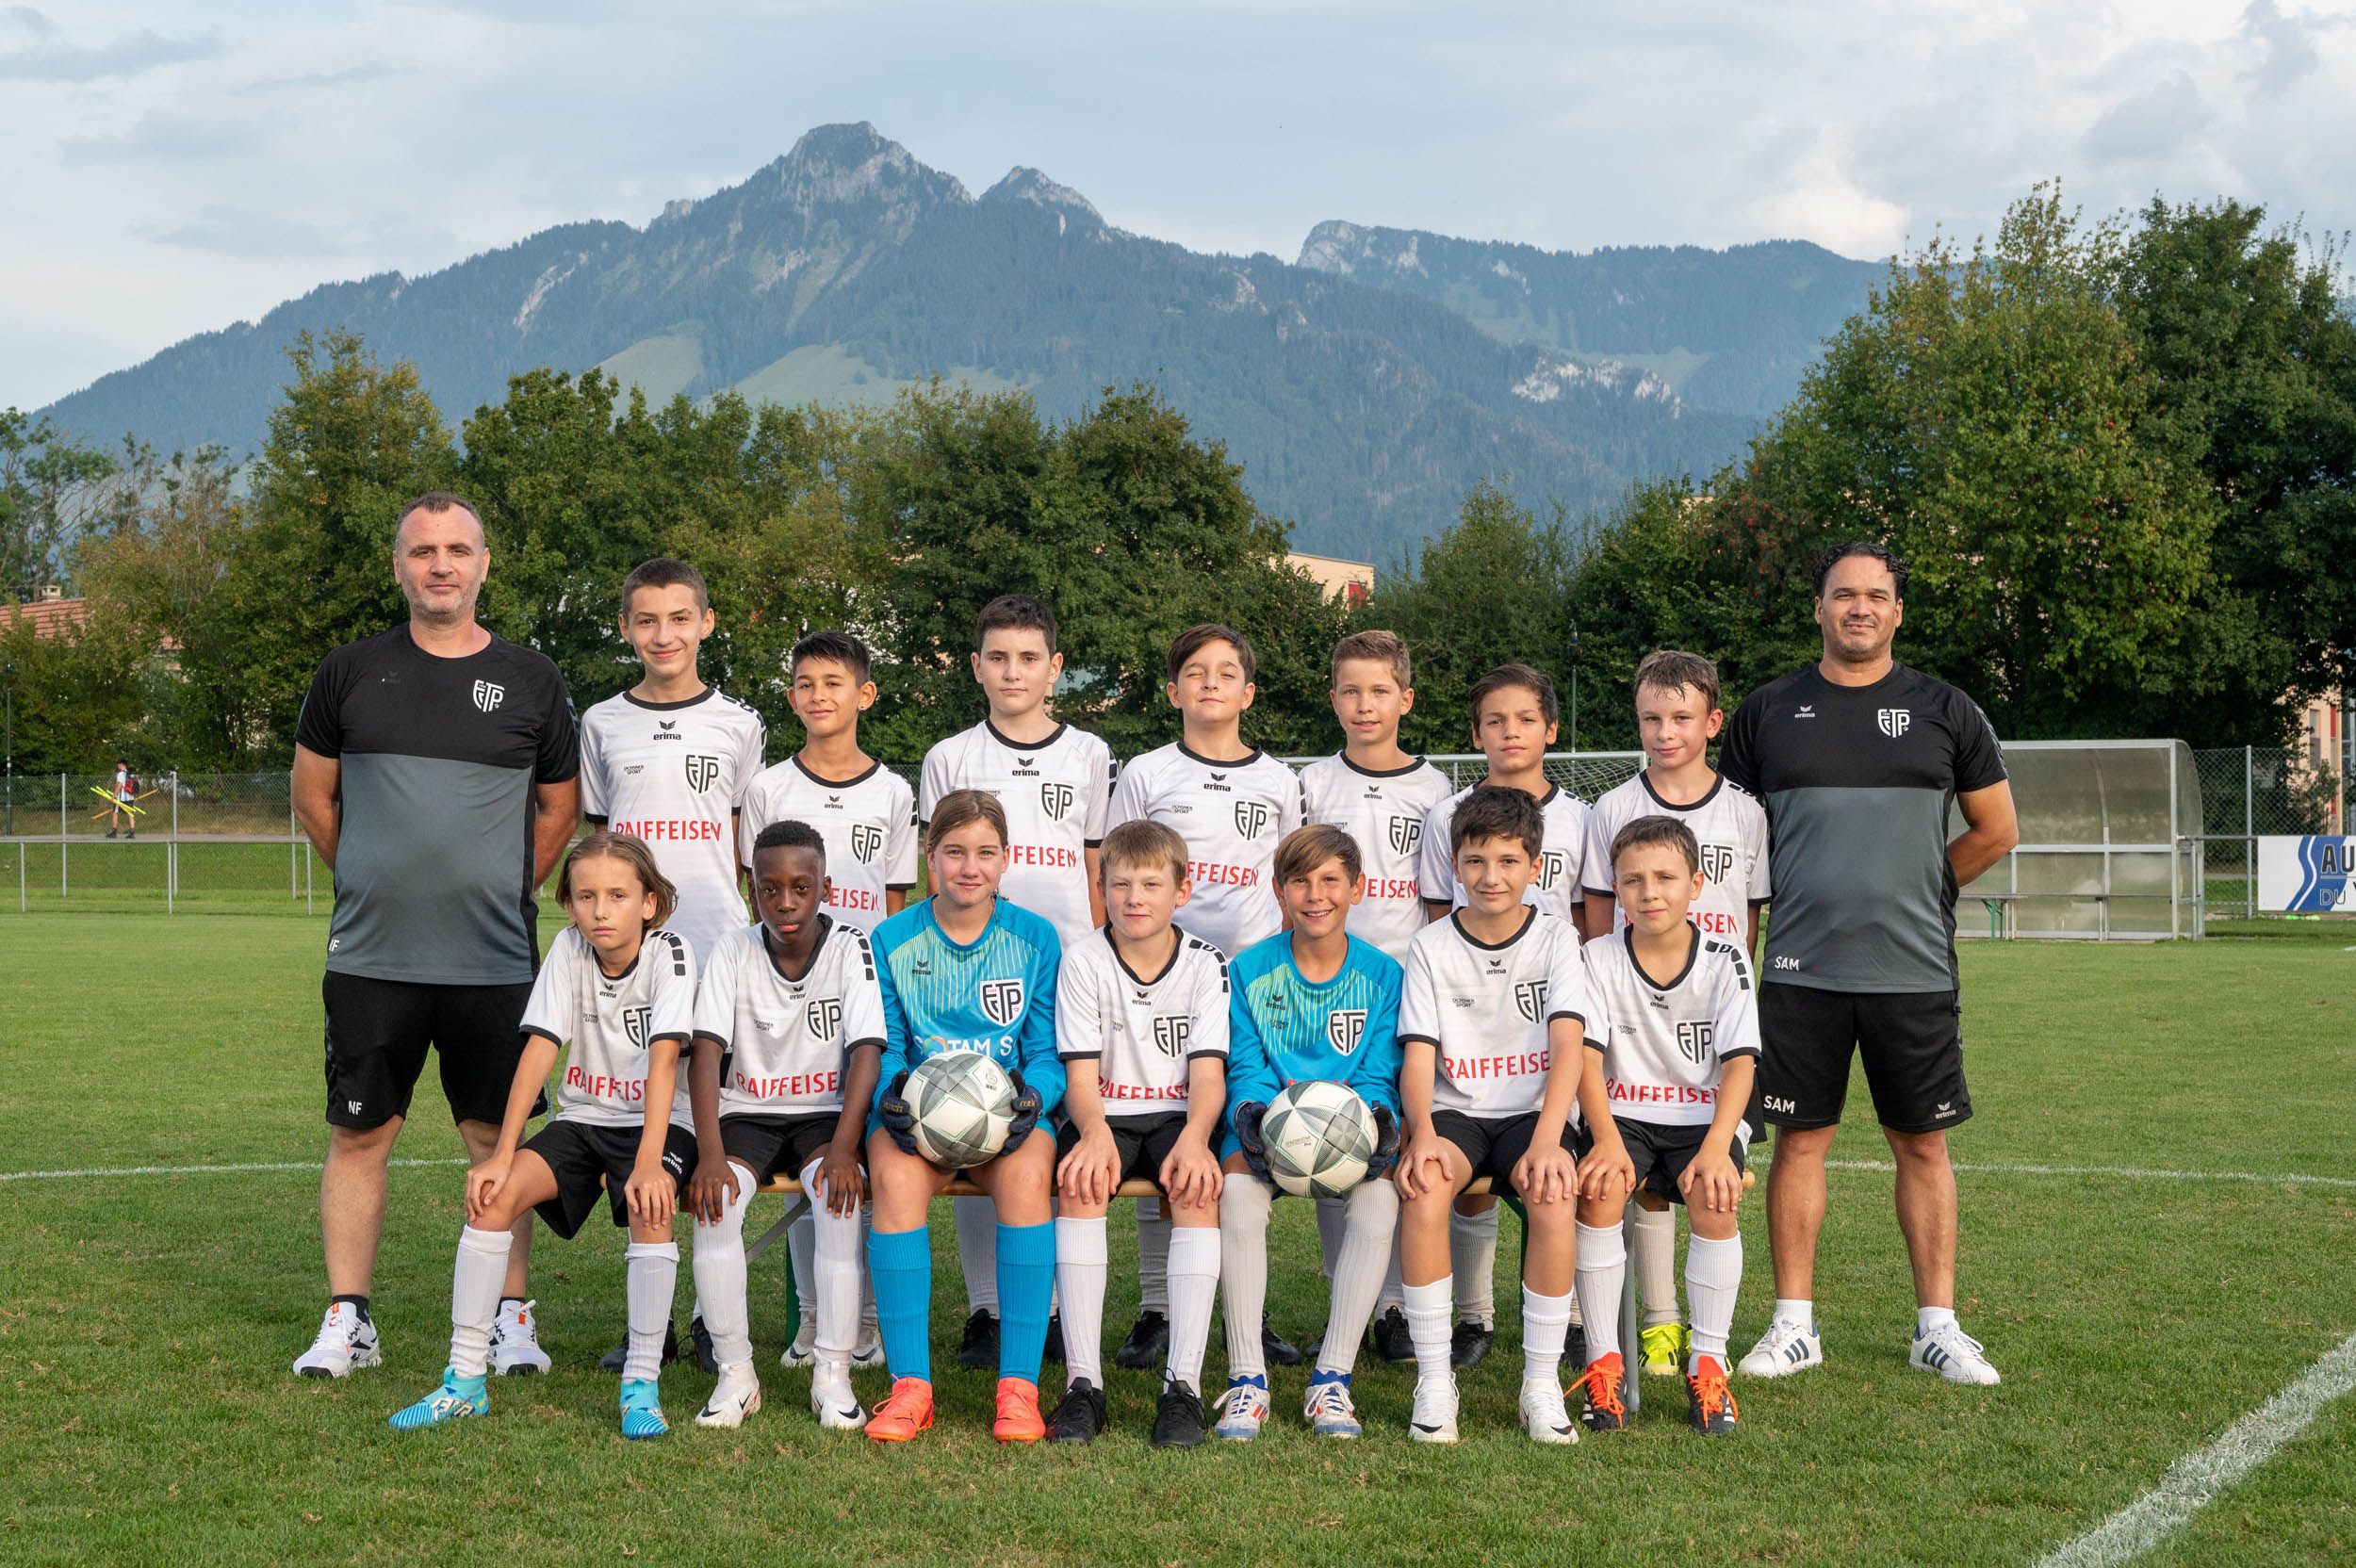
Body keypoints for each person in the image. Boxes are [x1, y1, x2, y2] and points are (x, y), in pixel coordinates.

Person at [290, 491, 580, 1380]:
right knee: (359, 1136)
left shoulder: (533, 679)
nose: (441, 565)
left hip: (493, 959)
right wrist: (371, 878)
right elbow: (313, 799)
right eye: (423, 551)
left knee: (499, 1141)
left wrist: (498, 888)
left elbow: (559, 812)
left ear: (484, 564)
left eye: (458, 550)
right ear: (399, 566)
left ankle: (509, 1319)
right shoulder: (348, 672)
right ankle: (349, 1320)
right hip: (372, 954)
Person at [1718, 542, 2019, 1387]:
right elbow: (1732, 840)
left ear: (1897, 612)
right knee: (1799, 1143)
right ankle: (1794, 1326)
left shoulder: (1946, 709)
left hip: (1913, 969)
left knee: (1922, 1145)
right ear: (1819, 608)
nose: (1859, 607)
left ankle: (1937, 1329)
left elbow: (1997, 830)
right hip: (1799, 970)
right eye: (1843, 594)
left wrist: (1926, 886)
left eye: (1876, 596)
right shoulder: (1767, 712)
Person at [387, 833, 695, 1438]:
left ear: (649, 903)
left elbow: (665, 1061)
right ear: (569, 904)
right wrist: (502, 1155)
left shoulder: (671, 954)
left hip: (658, 1124)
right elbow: (539, 1049)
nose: (600, 910)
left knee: (650, 1205)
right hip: (582, 1119)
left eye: (617, 895)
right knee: (491, 1198)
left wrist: (650, 1163)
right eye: (586, 896)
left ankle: (641, 1387)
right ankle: (464, 1382)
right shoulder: (568, 948)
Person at [578, 557, 765, 1373]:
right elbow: (598, 847)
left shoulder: (741, 724)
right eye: (647, 620)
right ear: (625, 628)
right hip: (636, 956)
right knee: (642, 1132)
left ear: (706, 624)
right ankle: (647, 1320)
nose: (664, 635)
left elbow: (748, 847)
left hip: (719, 946)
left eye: (680, 618)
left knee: (707, 1129)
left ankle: (704, 1317)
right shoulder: (600, 723)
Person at [919, 596, 1113, 1372]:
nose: (1013, 672)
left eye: (1029, 658)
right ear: (976, 667)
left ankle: (1052, 1308)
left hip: (1064, 967)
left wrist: (1099, 954)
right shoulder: (949, 756)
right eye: (997, 658)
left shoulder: (1090, 753)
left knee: (1048, 1131)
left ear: (1054, 668)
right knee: (968, 1120)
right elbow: (934, 870)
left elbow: (1095, 864)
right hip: (973, 967)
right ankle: (987, 1310)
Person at [1105, 621, 1307, 1371]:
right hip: (1165, 979)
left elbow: (1289, 884)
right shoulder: (1148, 773)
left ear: (1248, 692)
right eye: (1196, 672)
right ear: (1173, 691)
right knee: (1165, 1130)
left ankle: (1245, 1313)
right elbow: (1122, 872)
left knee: (1234, 1147)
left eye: (1226, 673)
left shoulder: (1279, 781)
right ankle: (1158, 1308)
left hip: (1248, 985)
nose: (1211, 683)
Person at [1576, 648, 1769, 1380]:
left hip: (1706, 1020)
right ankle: (1656, 1326)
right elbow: (1600, 925)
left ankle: (1704, 1354)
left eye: (1681, 717)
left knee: (1703, 1182)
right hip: (1630, 1030)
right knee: (1638, 1185)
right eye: (1651, 719)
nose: (1664, 732)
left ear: (1712, 722)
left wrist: (1717, 991)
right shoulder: (1612, 809)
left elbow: (1747, 925)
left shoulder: (1744, 811)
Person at [861, 789, 1065, 1445]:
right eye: (954, 852)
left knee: (1030, 1177)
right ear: (930, 857)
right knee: (892, 1179)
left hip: (1005, 1120)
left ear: (1005, 859)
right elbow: (888, 1044)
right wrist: (892, 1096)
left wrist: (1034, 1097)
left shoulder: (1035, 937)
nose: (969, 867)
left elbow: (1046, 1052)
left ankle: (1019, 1390)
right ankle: (910, 1389)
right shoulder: (892, 938)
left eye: (984, 853)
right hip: (919, 1123)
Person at [1392, 786, 1593, 1446]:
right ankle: (1434, 1380)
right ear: (1455, 865)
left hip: (1533, 1114)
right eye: (1475, 861)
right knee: (1424, 1187)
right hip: (1456, 1112)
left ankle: (1540, 1384)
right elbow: (1418, 1057)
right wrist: (1422, 1134)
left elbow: (1569, 1047)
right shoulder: (1430, 944)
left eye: (1508, 861)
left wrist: (1550, 1140)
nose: (1491, 876)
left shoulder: (1559, 939)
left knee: (1553, 1192)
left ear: (1534, 866)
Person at [737, 629, 912, 1371]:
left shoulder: (893, 791)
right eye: (805, 684)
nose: (819, 696)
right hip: (791, 990)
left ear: (864, 694)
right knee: (801, 1135)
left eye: (834, 683)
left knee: (859, 1147)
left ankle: (864, 1318)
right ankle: (813, 1317)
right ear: (791, 697)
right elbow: (755, 896)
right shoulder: (768, 789)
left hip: (865, 988)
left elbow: (897, 903)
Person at [1414, 662, 1595, 1366]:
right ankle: (1473, 1318)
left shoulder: (1579, 819)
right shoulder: (1447, 819)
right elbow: (1443, 920)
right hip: (1470, 1042)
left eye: (1525, 719)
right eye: (1495, 721)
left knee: (1554, 1183)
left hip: (1543, 1038)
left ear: (1551, 728)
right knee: (1461, 1193)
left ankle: (1567, 1328)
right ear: (1475, 733)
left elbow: (1591, 922)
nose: (1510, 732)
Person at [685, 820, 886, 1431]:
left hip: (825, 1116)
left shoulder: (850, 946)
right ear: (753, 892)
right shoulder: (733, 949)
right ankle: (736, 1376)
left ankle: (833, 1373)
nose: (786, 901)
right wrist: (709, 1155)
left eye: (801, 887)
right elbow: (704, 1054)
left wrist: (846, 1148)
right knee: (715, 1206)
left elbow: (867, 1052)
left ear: (826, 888)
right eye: (770, 889)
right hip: (748, 1112)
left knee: (838, 1201)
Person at [1213, 825, 1403, 1442]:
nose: (1315, 895)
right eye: (1300, 881)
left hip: (1349, 1130)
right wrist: (1257, 1118)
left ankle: (1333, 1378)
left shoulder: (1383, 975)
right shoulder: (1248, 970)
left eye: (1330, 881)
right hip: (1266, 1128)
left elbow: (1378, 1073)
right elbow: (1245, 1067)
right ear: (1279, 891)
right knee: (1236, 1195)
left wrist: (1369, 1120)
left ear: (1357, 888)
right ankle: (1247, 1378)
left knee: (1378, 1201)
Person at [1572, 816, 1759, 1436]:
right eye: (1633, 880)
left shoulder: (1725, 958)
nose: (1649, 892)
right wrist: (1603, 1140)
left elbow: (1739, 1066)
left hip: (1703, 1117)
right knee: (1599, 1189)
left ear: (1696, 884)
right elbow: (1586, 1061)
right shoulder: (1597, 957)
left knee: (1714, 1192)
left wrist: (1717, 1149)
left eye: (1665, 878)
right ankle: (1604, 1364)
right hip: (1622, 1114)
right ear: (1616, 889)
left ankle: (1708, 1364)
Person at [1046, 819, 1229, 1448]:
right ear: (1101, 890)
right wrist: (1093, 1133)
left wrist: (1198, 1138)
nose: (1134, 898)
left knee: (1197, 1190)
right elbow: (1079, 1075)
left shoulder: (1206, 963)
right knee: (1079, 1183)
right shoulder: (1083, 959)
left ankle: (1183, 1388)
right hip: (1105, 1112)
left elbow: (1209, 1076)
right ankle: (1083, 1385)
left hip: (1179, 1115)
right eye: (1120, 884)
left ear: (1182, 890)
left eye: (1151, 884)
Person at [1299, 630, 1454, 1368]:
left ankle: (1391, 1305)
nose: (1366, 705)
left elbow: (1440, 903)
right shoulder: (1310, 783)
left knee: (1392, 1144)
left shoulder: (1435, 791)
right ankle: (1347, 1301)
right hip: (1327, 987)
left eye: (1380, 691)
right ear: (1334, 700)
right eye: (1352, 691)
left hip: (1404, 991)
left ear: (1406, 699)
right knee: (1329, 1137)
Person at [106, 758, 139, 839]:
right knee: (130, 814)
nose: (117, 766)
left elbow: (119, 786)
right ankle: (132, 833)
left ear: (121, 764)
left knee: (115, 813)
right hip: (130, 797)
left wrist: (114, 796)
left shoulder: (120, 774)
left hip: (120, 798)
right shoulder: (129, 773)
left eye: (118, 764)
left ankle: (114, 832)